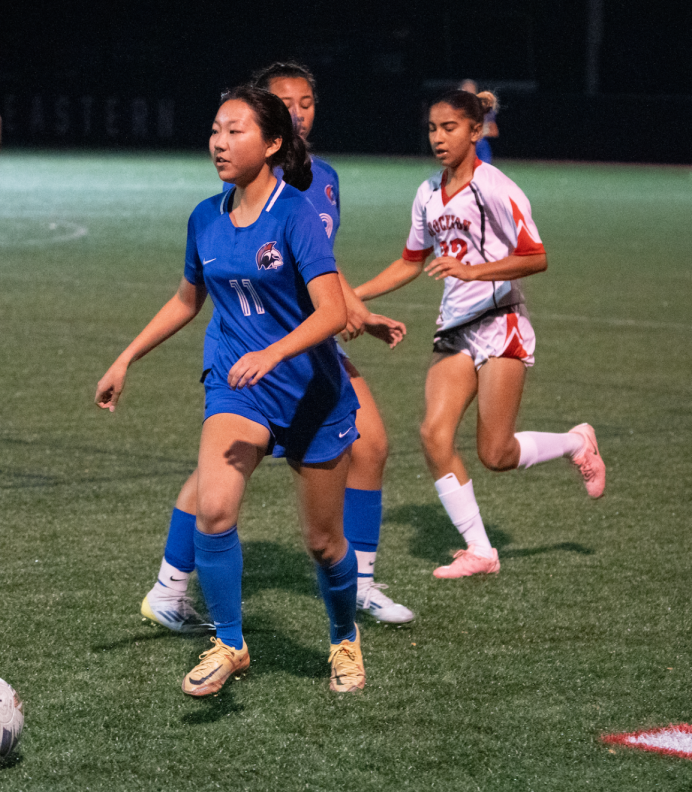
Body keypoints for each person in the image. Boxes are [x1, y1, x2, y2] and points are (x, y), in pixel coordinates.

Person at [96, 85, 367, 694]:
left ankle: (344, 638)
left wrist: (271, 353)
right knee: (214, 510)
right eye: (216, 129)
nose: (219, 142)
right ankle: (230, 642)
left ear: (273, 144)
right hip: (236, 386)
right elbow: (187, 300)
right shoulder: (204, 217)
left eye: (236, 131)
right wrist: (127, 357)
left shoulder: (296, 213)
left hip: (308, 393)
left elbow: (330, 313)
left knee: (324, 543)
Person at [141, 61, 415, 630]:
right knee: (220, 473)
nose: (298, 110)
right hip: (253, 347)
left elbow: (319, 267)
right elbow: (226, 277)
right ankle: (173, 587)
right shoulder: (241, 194)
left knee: (371, 445)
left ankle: (356, 583)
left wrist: (356, 313)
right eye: (284, 101)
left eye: (306, 101)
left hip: (299, 338)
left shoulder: (323, 179)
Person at [354, 89, 606, 579]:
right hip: (455, 329)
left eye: (449, 128)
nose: (438, 137)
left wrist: (474, 273)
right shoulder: (428, 192)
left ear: (476, 131)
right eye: (432, 128)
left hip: (501, 323)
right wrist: (349, 297)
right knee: (433, 434)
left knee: (496, 453)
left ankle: (576, 442)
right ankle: (480, 551)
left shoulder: (496, 188)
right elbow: (411, 262)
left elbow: (536, 257)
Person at [459, 80, 498, 163]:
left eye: (471, 90)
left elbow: (494, 132)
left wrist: (482, 132)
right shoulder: (454, 109)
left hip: (480, 146)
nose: (468, 92)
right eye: (465, 89)